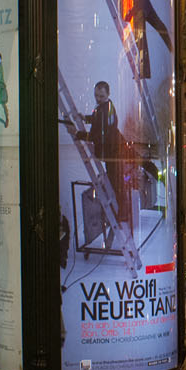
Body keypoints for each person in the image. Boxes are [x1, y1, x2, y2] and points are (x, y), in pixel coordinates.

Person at [71, 80, 131, 247]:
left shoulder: (105, 110)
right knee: (115, 184)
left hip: (113, 153)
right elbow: (99, 120)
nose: (98, 98)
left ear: (108, 94)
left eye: (101, 95)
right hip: (113, 151)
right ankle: (120, 215)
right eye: (96, 95)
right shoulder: (106, 107)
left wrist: (80, 134)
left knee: (116, 185)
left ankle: (121, 215)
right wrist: (86, 118)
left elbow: (100, 135)